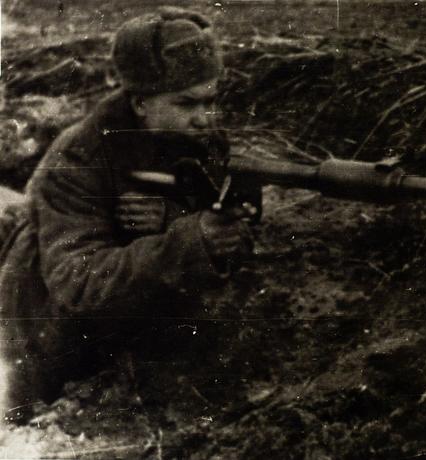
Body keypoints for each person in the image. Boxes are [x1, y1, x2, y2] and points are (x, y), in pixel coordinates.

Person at [0, 7, 261, 423]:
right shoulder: (78, 158)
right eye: (187, 103)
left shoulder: (199, 137)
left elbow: (226, 230)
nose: (205, 118)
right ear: (139, 102)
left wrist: (201, 230)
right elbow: (77, 286)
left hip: (144, 319)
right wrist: (190, 240)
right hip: (45, 320)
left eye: (211, 100)